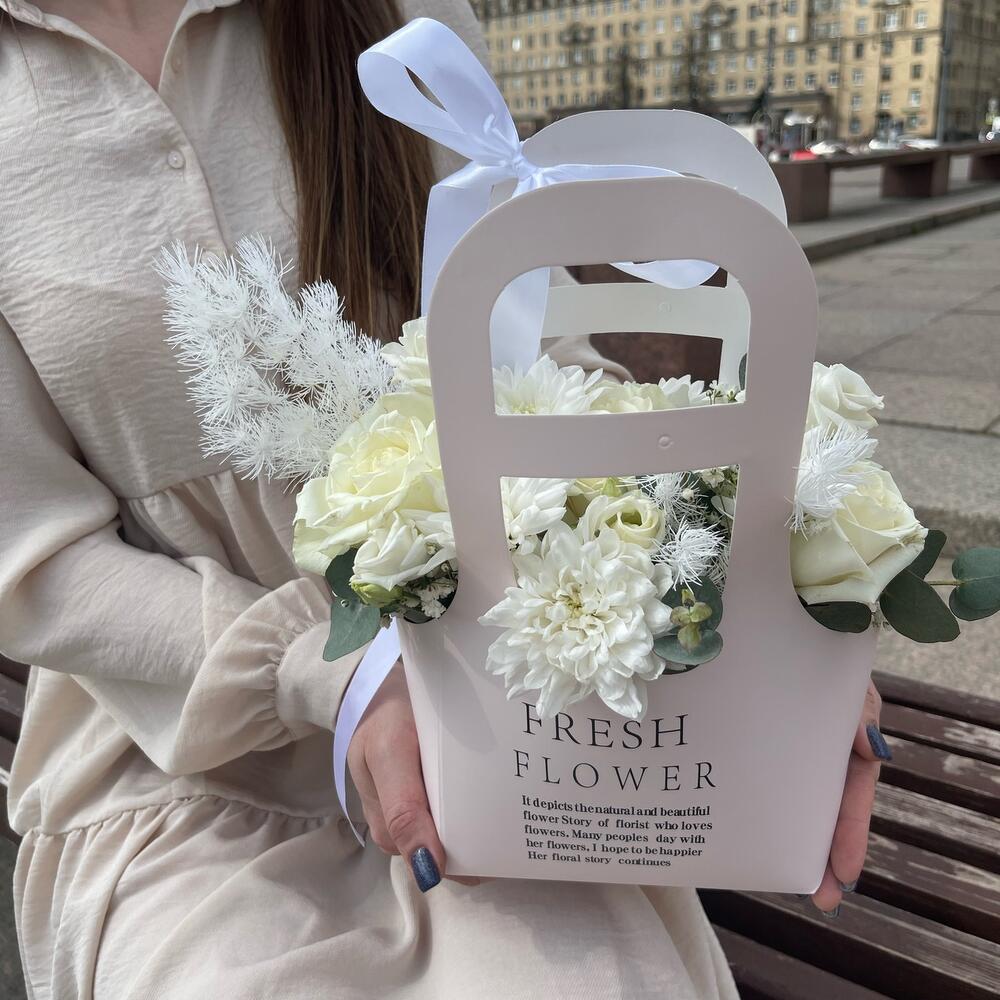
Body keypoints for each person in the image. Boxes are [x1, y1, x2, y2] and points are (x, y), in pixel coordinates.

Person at [0, 1, 889, 997]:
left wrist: (756, 612)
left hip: (504, 709)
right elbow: (31, 558)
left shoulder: (403, 28)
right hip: (177, 761)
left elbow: (534, 356)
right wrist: (336, 672)